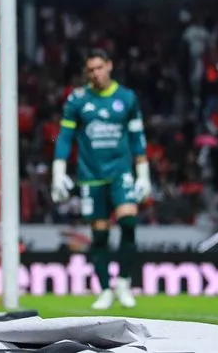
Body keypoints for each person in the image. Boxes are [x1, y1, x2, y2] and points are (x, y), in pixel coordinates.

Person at [51, 50, 152, 310]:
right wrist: (58, 172)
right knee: (99, 235)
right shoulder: (78, 99)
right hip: (91, 176)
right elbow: (64, 137)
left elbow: (137, 136)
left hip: (121, 173)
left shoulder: (127, 98)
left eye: (99, 67)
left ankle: (125, 282)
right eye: (90, 70)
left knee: (128, 221)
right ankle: (106, 289)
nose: (95, 73)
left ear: (109, 66)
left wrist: (143, 173)